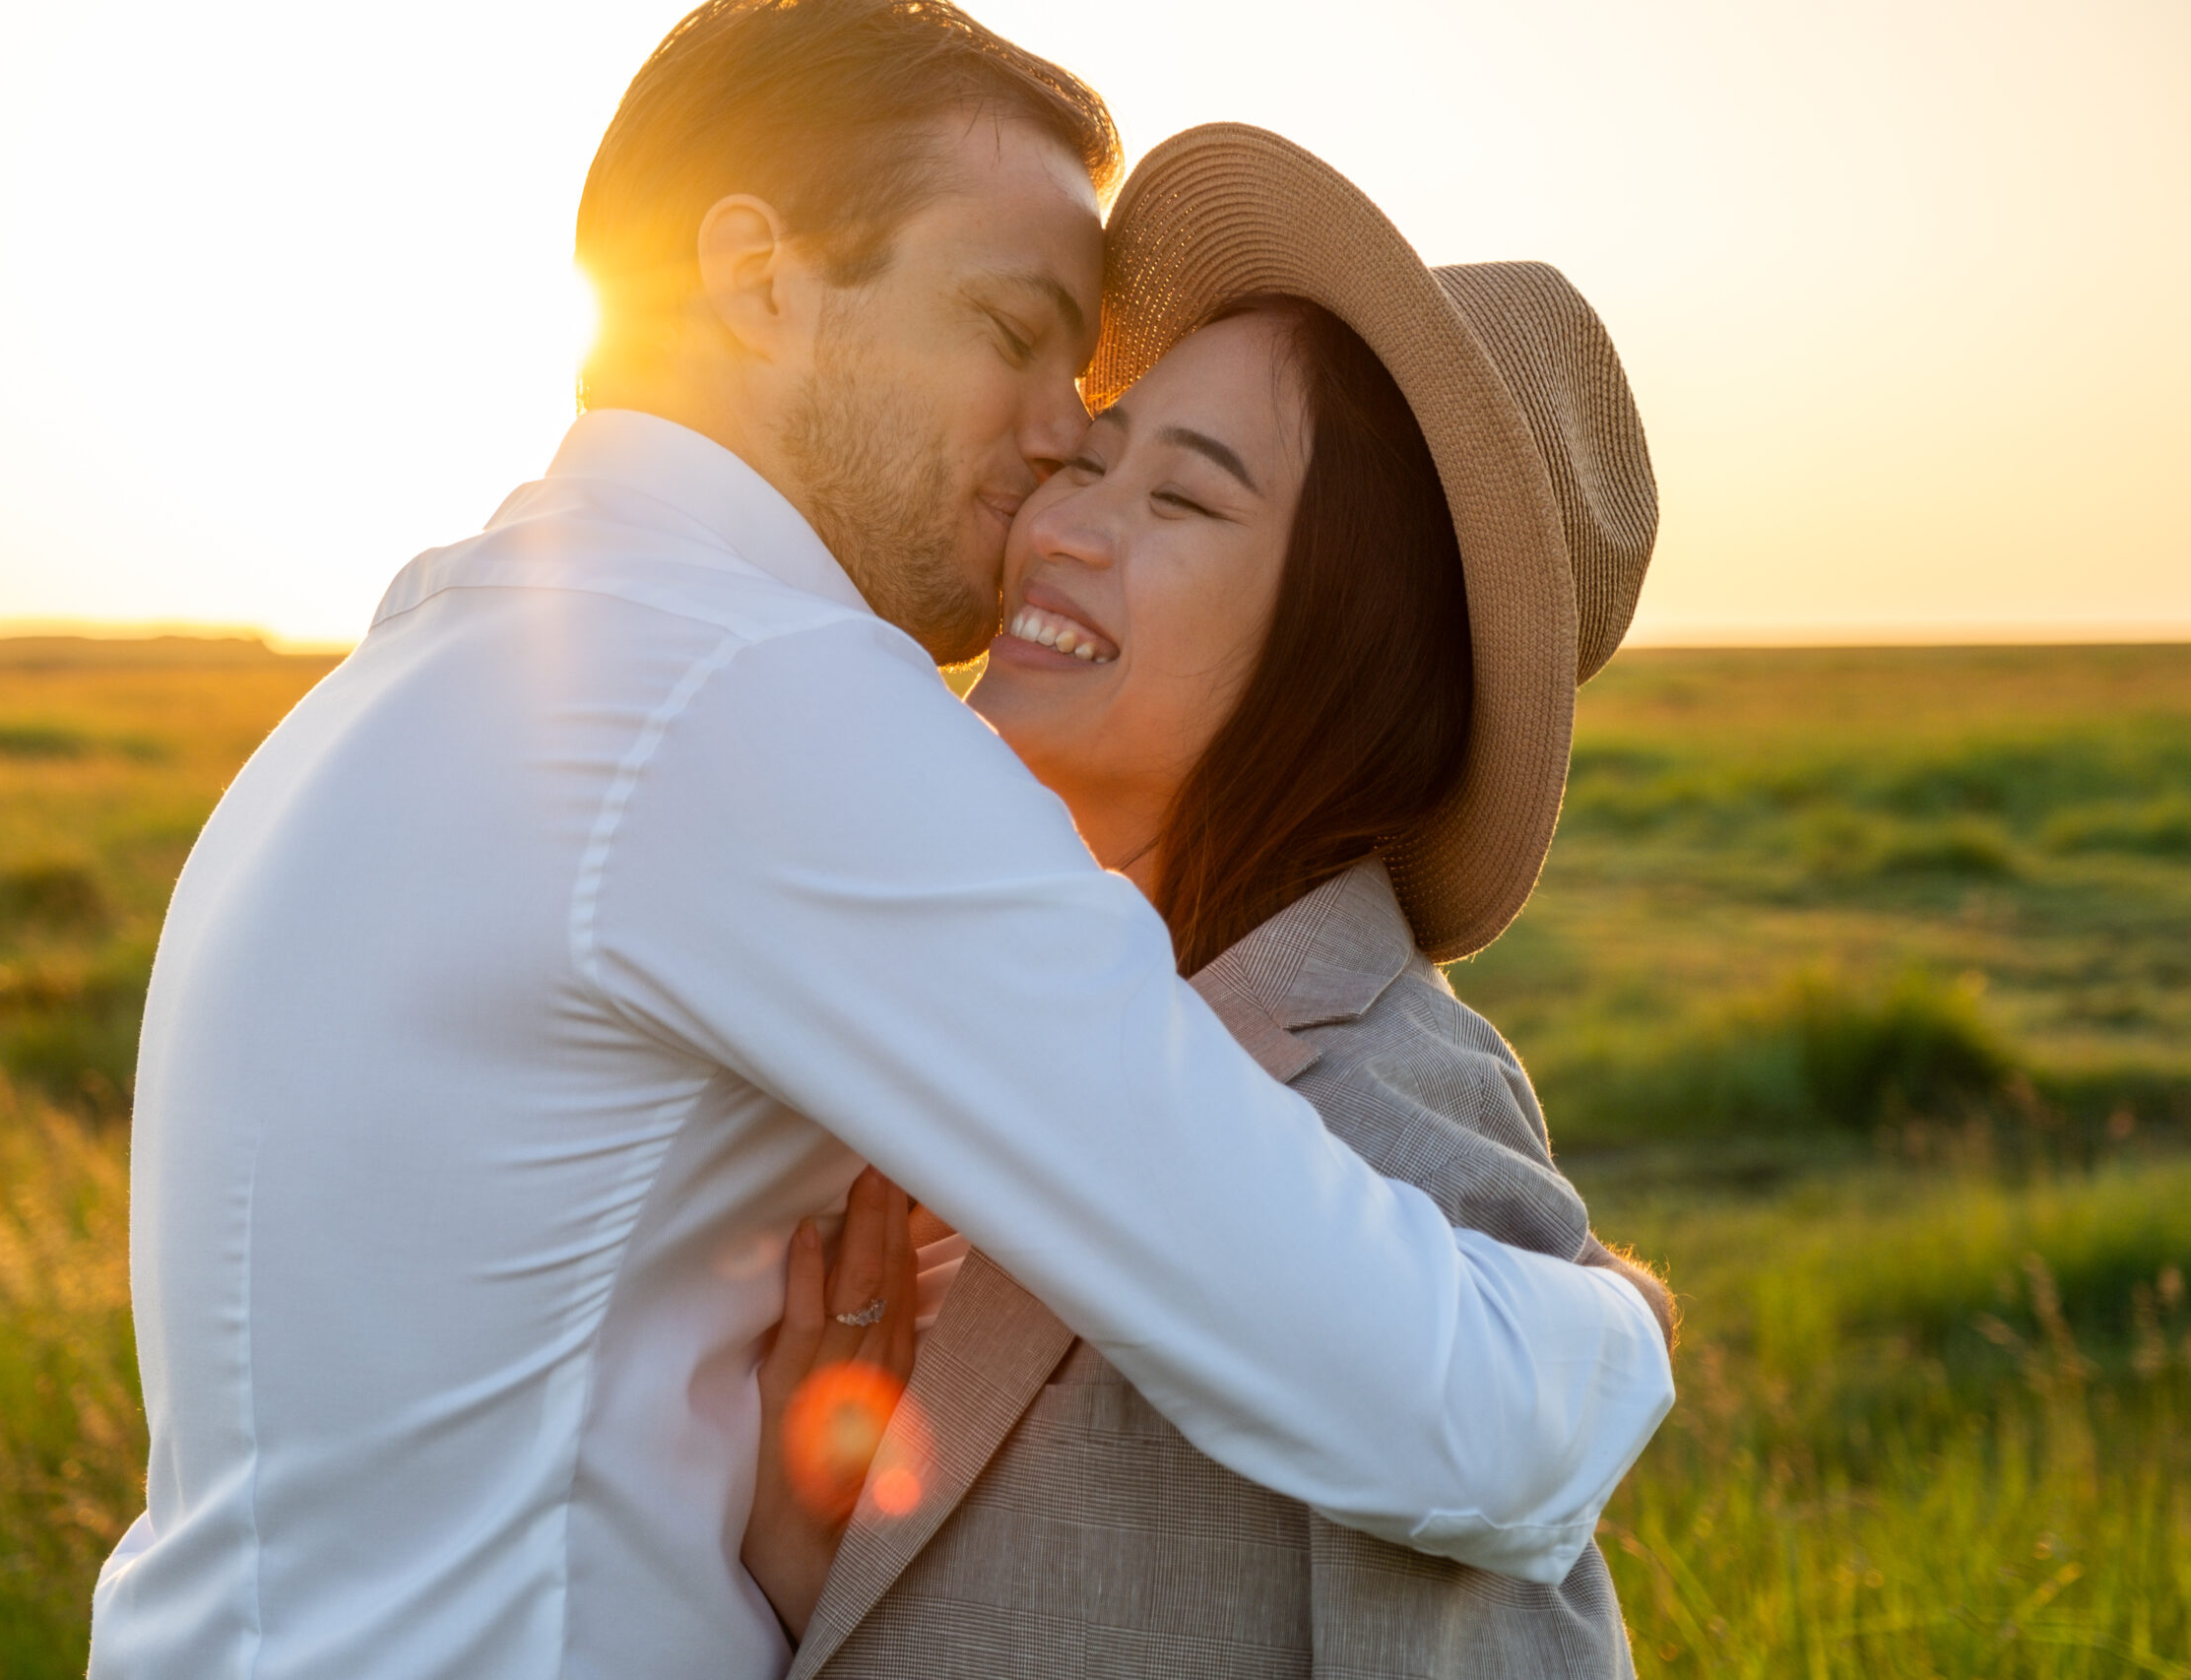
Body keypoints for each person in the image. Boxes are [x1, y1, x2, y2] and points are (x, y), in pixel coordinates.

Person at [86, 7, 1672, 1678]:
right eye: (1009, 327)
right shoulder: (749, 691)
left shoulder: (409, 670)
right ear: (760, 279)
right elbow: (1445, 1408)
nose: (1059, 435)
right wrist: (1626, 1326)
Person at [744, 126, 1673, 1678]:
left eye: (1183, 501)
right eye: (1093, 459)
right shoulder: (998, 1002)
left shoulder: (1391, 1114)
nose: (1058, 524)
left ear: (1343, 651)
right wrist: (800, 1567)